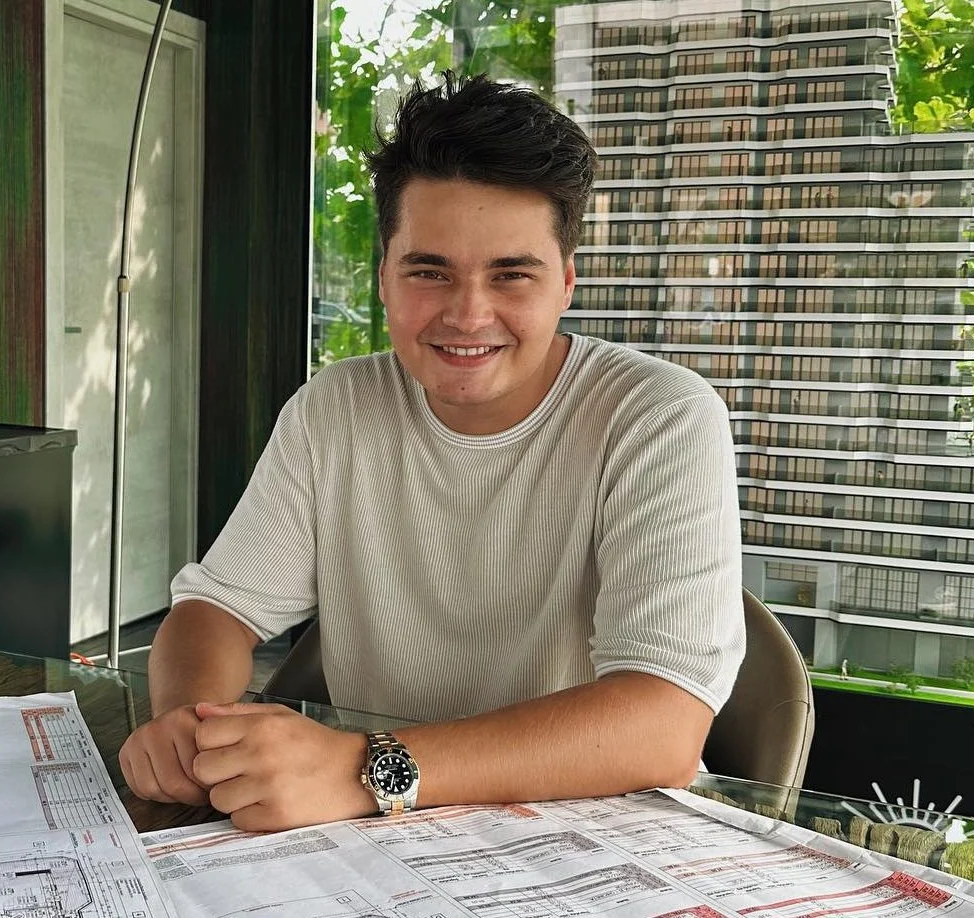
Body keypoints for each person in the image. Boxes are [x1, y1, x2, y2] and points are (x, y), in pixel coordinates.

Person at [120, 73, 746, 832]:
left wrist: (364, 768)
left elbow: (664, 725)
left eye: (512, 274)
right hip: (375, 835)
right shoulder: (335, 409)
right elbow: (217, 608)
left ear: (566, 283)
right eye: (429, 271)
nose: (469, 314)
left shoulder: (659, 417)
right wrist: (189, 724)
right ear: (384, 277)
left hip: (594, 833)